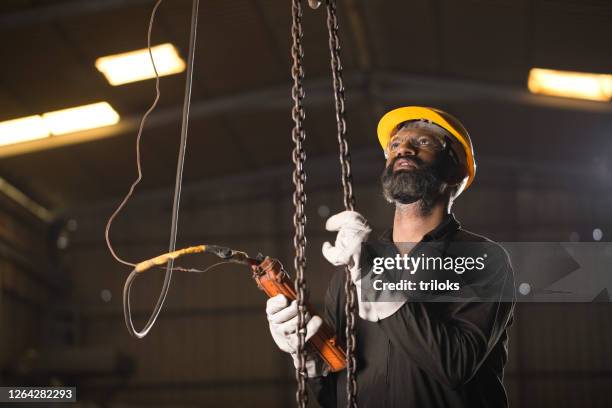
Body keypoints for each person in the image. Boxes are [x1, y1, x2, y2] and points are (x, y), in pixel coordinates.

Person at [265, 106, 516, 408]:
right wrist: (310, 362)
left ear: (456, 170)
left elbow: (455, 364)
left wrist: (372, 281)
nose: (403, 149)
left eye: (424, 142)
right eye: (394, 145)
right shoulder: (353, 268)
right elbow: (336, 397)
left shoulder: (484, 259)